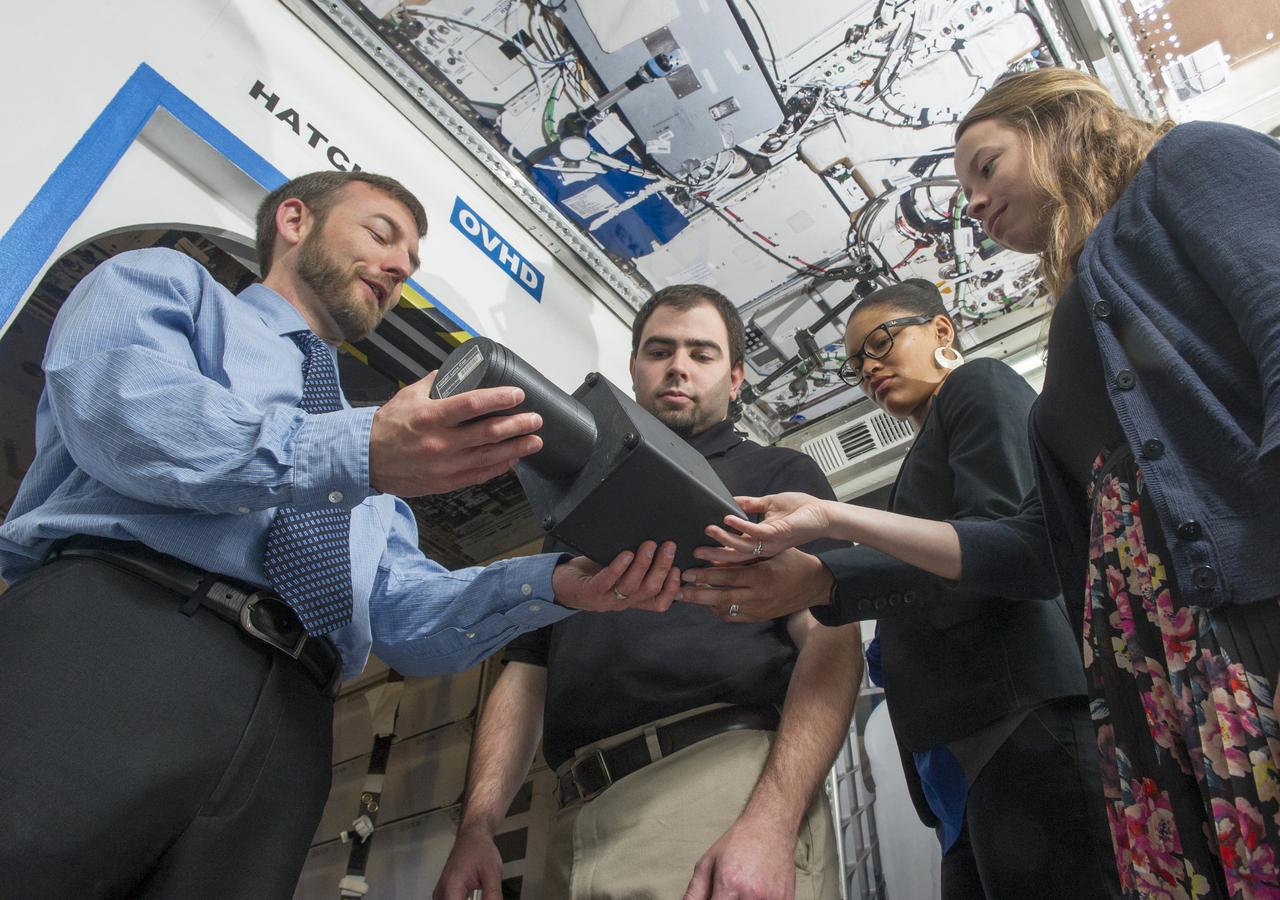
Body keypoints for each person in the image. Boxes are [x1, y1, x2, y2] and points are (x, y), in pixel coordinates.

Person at [0, 170, 681, 899]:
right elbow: (128, 418)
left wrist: (558, 585)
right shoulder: (168, 288)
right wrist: (358, 453)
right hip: (121, 635)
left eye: (411, 264)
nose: (397, 269)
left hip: (292, 723)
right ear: (294, 221)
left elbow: (407, 621)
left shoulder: (370, 459)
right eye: (382, 235)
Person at [695, 69, 1280, 899]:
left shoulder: (1188, 162)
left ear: (1059, 122)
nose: (970, 203)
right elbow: (1031, 548)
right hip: (1170, 678)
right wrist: (829, 535)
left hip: (1235, 634)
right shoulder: (1085, 298)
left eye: (985, 166)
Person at [684, 278, 1118, 898]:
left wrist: (827, 577)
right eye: (858, 360)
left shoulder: (979, 384)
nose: (870, 367)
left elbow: (1003, 545)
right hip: (966, 748)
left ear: (943, 331)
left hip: (1022, 719)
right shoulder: (925, 455)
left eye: (882, 341)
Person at [433, 284, 861, 900]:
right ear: (633, 368)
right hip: (571, 815)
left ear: (736, 378)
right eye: (659, 350)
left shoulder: (779, 480)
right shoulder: (569, 506)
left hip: (713, 786)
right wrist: (478, 827)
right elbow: (526, 674)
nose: (678, 366)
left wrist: (771, 822)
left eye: (702, 353)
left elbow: (832, 638)